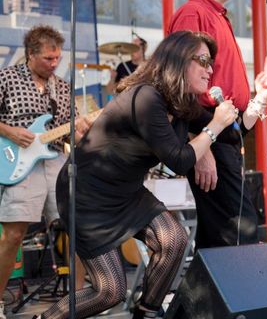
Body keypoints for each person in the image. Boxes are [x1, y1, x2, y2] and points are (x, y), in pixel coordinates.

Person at [39, 31, 238, 319]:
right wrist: (214, 127)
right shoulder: (146, 97)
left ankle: (146, 313)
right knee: (109, 292)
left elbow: (232, 135)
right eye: (204, 61)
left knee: (173, 240)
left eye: (211, 64)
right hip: (87, 193)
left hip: (126, 192)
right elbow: (179, 160)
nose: (210, 70)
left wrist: (256, 105)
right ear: (179, 60)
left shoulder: (182, 105)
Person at [168, 0, 267, 248]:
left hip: (223, 134)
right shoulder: (193, 13)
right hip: (207, 135)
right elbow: (180, 84)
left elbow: (233, 114)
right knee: (238, 233)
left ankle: (201, 284)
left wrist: (260, 98)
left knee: (222, 238)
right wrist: (200, 149)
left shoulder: (217, 16)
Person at [0, 25, 90, 319]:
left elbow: (72, 132)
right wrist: (9, 131)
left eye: (57, 58)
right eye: (48, 58)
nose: (54, 64)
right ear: (30, 54)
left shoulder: (62, 87)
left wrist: (83, 131)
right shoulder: (7, 78)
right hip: (17, 161)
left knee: (77, 227)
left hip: (55, 160)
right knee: (14, 234)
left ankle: (77, 300)